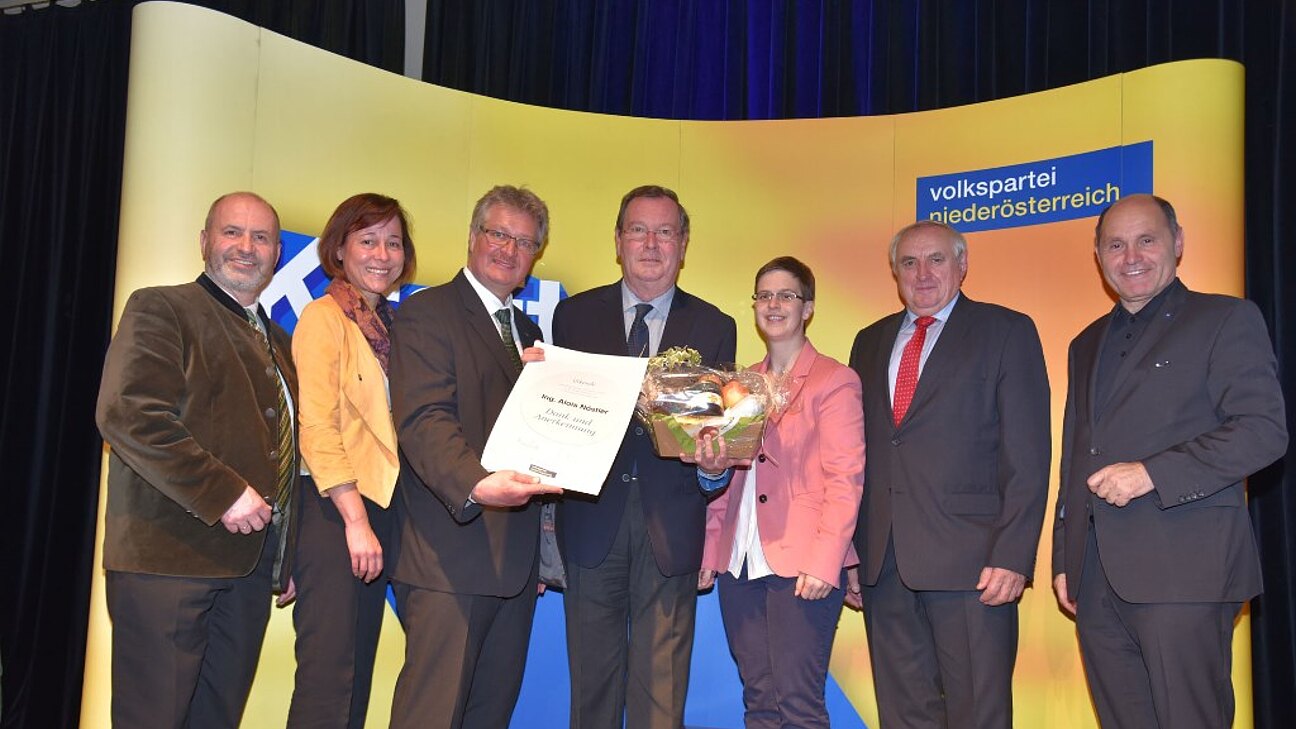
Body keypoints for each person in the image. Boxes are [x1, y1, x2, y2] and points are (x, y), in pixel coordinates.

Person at [1051, 193, 1287, 729]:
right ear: (1097, 255)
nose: (1131, 256)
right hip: (1096, 579)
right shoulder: (1085, 343)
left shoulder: (1225, 318)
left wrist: (1151, 473)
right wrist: (1066, 557)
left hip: (1186, 572)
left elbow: (1263, 431)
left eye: (1146, 240)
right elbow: (1076, 456)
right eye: (1115, 245)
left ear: (1177, 243)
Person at [96, 191, 297, 728]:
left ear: (277, 253)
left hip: (248, 571)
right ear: (205, 241)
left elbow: (285, 456)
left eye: (261, 237)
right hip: (167, 565)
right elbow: (128, 414)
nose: (246, 247)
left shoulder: (280, 343)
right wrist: (223, 493)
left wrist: (286, 553)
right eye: (232, 232)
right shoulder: (161, 307)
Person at [847, 219, 1050, 729]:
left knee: (977, 713)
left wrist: (1012, 555)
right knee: (902, 714)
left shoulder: (1006, 331)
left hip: (974, 566)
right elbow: (859, 454)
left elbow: (1028, 455)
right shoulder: (869, 341)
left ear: (962, 264)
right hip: (884, 564)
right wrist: (851, 552)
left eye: (936, 259)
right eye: (909, 262)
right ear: (894, 272)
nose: (922, 274)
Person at [554, 184, 737, 729]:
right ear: (618, 241)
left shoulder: (714, 326)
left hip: (671, 528)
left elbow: (714, 437)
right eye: (638, 230)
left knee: (662, 697)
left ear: (683, 244)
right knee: (591, 693)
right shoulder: (572, 317)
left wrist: (715, 471)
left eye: (665, 232)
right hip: (590, 524)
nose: (651, 244)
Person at [387, 184, 562, 729]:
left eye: (525, 242)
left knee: (490, 714)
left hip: (515, 565)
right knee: (431, 716)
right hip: (449, 555)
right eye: (499, 234)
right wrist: (476, 484)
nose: (509, 250)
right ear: (472, 236)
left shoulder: (529, 334)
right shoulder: (427, 313)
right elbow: (423, 419)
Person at [691, 256, 865, 728]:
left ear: (807, 308)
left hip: (804, 563)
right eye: (764, 295)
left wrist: (825, 560)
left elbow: (845, 478)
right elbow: (725, 474)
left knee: (799, 705)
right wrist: (711, 550)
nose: (773, 304)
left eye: (786, 295)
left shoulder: (835, 380)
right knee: (760, 702)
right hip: (740, 562)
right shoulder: (739, 384)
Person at [287, 193, 417, 728]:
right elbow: (316, 426)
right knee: (329, 677)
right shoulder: (323, 318)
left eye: (393, 242)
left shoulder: (398, 326)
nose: (382, 255)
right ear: (339, 248)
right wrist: (356, 520)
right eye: (368, 241)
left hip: (382, 507)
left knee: (358, 671)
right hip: (335, 509)